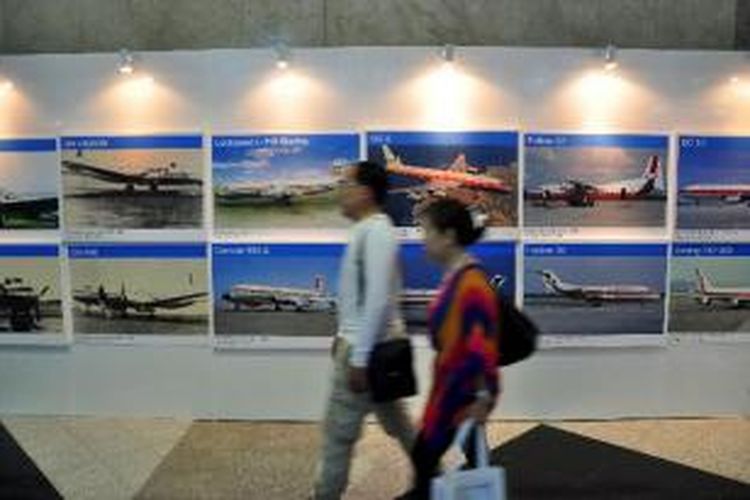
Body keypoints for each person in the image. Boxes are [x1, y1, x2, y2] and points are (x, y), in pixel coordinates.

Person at [312, 161, 416, 500]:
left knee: (337, 436)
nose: (340, 190)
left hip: (366, 353)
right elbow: (361, 299)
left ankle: (325, 495)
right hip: (368, 347)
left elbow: (377, 299)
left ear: (365, 191)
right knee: (399, 424)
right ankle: (434, 476)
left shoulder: (377, 232)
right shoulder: (367, 230)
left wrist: (357, 355)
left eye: (346, 183)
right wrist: (341, 334)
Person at [400, 198, 500, 499]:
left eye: (427, 232)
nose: (422, 241)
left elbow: (484, 349)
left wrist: (485, 397)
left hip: (458, 394)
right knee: (463, 456)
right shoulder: (456, 277)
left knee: (424, 458)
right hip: (449, 388)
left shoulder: (471, 284)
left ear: (449, 236)